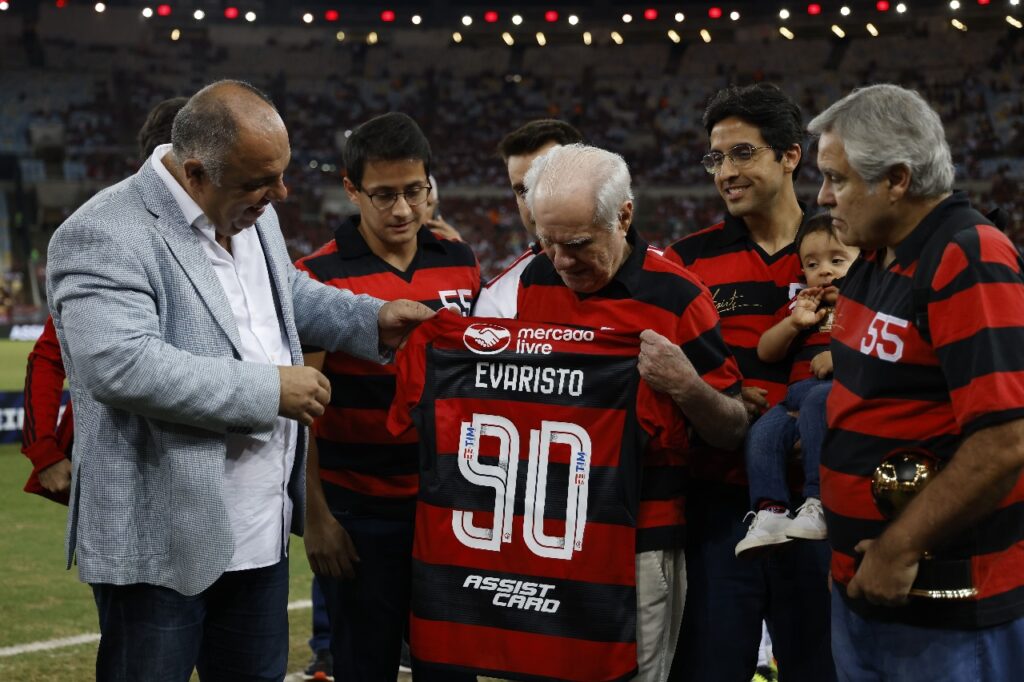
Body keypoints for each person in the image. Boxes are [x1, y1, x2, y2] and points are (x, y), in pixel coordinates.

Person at [45, 80, 434, 681]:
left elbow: (288, 297)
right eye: (261, 181)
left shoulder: (252, 212)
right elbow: (120, 364)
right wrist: (270, 390)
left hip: (261, 533)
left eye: (279, 176)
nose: (278, 193)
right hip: (161, 541)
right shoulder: (103, 231)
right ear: (196, 172)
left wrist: (372, 319)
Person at [811, 84, 1024, 680]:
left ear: (897, 180)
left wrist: (899, 548)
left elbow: (1005, 441)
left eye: (837, 179)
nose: (823, 196)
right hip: (870, 592)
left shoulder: (967, 253)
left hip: (946, 603)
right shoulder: (877, 256)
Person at [517, 143, 749, 682]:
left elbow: (734, 426)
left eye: (576, 244)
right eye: (546, 242)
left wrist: (687, 386)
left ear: (624, 215)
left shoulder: (677, 296)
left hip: (641, 538)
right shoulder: (536, 279)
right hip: (554, 534)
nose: (561, 261)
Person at [295, 112, 480, 682]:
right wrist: (317, 516)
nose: (402, 209)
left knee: (452, 669)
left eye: (414, 191)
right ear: (351, 189)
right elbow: (299, 409)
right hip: (359, 514)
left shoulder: (460, 261)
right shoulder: (317, 277)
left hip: (450, 507)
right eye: (383, 194)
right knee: (363, 668)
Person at [664, 83, 836, 682]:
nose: (726, 173)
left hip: (824, 506)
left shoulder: (844, 253)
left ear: (790, 155)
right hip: (719, 508)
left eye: (743, 154)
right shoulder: (686, 261)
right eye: (716, 159)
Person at [22, 96, 189, 506]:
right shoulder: (105, 235)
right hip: (119, 474)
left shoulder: (228, 237)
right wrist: (44, 451)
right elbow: (48, 355)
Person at [735, 214, 859, 557]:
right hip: (794, 395)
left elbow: (876, 351)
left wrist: (840, 359)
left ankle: (818, 500)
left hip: (835, 391)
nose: (825, 271)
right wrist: (793, 324)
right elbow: (766, 351)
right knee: (761, 433)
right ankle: (770, 511)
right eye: (812, 263)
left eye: (837, 260)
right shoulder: (802, 303)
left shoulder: (865, 301)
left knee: (819, 404)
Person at [472, 119, 583, 318]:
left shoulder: (655, 278)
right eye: (522, 190)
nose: (534, 202)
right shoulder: (498, 302)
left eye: (546, 183)